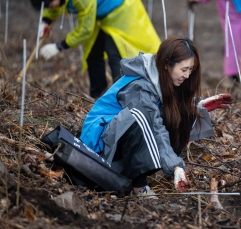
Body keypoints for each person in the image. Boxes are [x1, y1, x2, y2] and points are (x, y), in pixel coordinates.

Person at [80, 36, 233, 196]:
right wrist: (174, 165)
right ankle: (139, 186)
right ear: (167, 64)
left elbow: (163, 110)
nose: (187, 76)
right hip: (98, 149)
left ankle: (154, 171)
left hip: (117, 140)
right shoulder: (140, 86)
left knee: (180, 110)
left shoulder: (161, 79)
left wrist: (197, 107)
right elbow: (153, 125)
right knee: (140, 116)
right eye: (183, 70)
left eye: (190, 70)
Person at [29, 0, 161, 98]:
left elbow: (86, 29)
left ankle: (124, 97)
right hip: (98, 11)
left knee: (116, 53)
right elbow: (53, 4)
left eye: (50, 6)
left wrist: (60, 46)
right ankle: (98, 96)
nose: (51, 9)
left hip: (119, 8)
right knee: (92, 53)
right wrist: (45, 21)